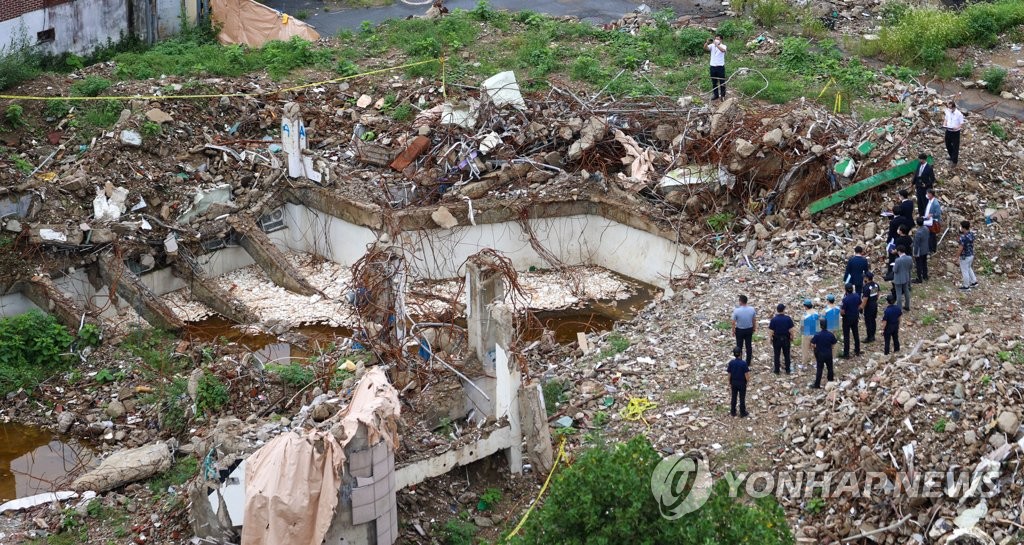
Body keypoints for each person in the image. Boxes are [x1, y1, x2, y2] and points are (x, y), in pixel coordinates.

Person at [768, 303, 795, 374]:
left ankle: (777, 370)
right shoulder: (788, 318)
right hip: (786, 339)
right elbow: (791, 329)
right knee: (786, 354)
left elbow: (771, 331)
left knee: (777, 355)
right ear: (783, 310)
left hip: (776, 339)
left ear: (777, 310)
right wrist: (792, 337)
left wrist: (770, 339)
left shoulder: (774, 320)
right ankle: (788, 370)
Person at [811, 318, 837, 389]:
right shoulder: (830, 334)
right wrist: (830, 347)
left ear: (820, 326)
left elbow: (812, 344)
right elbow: (834, 343)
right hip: (828, 353)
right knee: (830, 368)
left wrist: (816, 348)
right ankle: (830, 381)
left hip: (820, 354)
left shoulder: (817, 335)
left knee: (819, 369)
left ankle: (817, 384)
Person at [840, 283, 863, 358]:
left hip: (847, 319)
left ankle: (846, 354)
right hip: (855, 317)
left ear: (845, 290)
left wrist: (842, 314)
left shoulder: (845, 299)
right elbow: (860, 305)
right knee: (856, 334)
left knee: (846, 336)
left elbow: (842, 311)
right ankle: (857, 350)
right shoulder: (857, 296)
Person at [732, 294, 756, 363]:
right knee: (748, 346)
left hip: (739, 330)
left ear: (740, 301)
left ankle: (739, 360)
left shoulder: (736, 310)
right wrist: (754, 328)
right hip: (749, 329)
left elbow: (733, 322)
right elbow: (754, 320)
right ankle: (748, 362)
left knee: (739, 346)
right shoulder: (752, 309)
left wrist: (733, 331)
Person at [726, 347, 749, 417]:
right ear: (741, 354)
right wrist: (747, 381)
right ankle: (742, 412)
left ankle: (733, 411)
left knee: (734, 397)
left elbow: (729, 374)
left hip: (734, 382)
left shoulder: (731, 363)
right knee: (742, 398)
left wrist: (729, 382)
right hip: (742, 383)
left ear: (734, 354)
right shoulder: (743, 363)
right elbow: (746, 375)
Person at [705, 33, 727, 101]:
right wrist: (706, 42)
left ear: (721, 40)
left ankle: (723, 95)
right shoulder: (712, 45)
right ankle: (716, 95)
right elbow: (706, 48)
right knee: (714, 82)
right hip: (712, 66)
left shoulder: (724, 46)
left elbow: (723, 50)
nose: (716, 40)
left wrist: (716, 44)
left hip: (720, 67)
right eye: (715, 39)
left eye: (718, 39)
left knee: (722, 82)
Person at [944, 100, 964, 166]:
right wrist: (944, 124)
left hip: (955, 132)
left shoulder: (959, 114)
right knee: (947, 144)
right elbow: (946, 119)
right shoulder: (948, 111)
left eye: (950, 108)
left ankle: (954, 161)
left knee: (955, 146)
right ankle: (951, 156)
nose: (949, 109)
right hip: (948, 130)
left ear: (953, 107)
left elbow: (961, 124)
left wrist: (957, 127)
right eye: (948, 107)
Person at [958, 220, 977, 290]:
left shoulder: (963, 237)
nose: (960, 228)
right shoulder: (971, 234)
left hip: (965, 256)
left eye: (961, 227)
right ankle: (974, 281)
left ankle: (966, 286)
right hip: (971, 254)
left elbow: (960, 248)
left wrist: (956, 256)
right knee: (969, 268)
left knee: (964, 270)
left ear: (963, 228)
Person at [893, 245, 913, 311]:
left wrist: (893, 266)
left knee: (898, 294)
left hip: (898, 278)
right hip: (906, 277)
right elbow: (910, 267)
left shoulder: (897, 260)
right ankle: (907, 306)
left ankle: (899, 308)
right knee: (906, 291)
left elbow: (895, 270)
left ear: (899, 251)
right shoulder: (909, 258)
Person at [800, 299, 819, 367]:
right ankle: (816, 363)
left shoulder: (804, 316)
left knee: (805, 350)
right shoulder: (816, 313)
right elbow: (818, 325)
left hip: (806, 333)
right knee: (815, 349)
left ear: (806, 306)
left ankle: (804, 364)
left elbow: (802, 328)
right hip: (815, 333)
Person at [862, 272, 880, 343]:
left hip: (868, 306)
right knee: (873, 320)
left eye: (864, 277)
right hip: (874, 304)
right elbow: (878, 294)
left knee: (868, 322)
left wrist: (861, 308)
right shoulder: (876, 285)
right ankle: (873, 335)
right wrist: (874, 299)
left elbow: (865, 299)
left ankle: (869, 337)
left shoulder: (866, 287)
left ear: (867, 278)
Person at [924, 188, 942, 253]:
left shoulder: (935, 203)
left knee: (932, 236)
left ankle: (932, 249)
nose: (927, 195)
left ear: (931, 194)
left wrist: (931, 215)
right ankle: (930, 248)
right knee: (929, 235)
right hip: (928, 220)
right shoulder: (929, 201)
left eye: (928, 193)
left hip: (933, 222)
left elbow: (938, 213)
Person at [913, 217, 930, 283]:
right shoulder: (926, 228)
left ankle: (919, 278)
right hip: (925, 248)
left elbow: (916, 244)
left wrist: (915, 253)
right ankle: (925, 276)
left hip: (919, 251)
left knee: (918, 265)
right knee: (924, 263)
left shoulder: (918, 233)